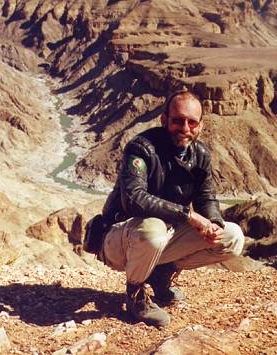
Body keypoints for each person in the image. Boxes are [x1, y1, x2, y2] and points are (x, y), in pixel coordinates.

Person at [96, 90, 245, 327]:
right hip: (120, 240)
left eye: (192, 122)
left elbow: (207, 197)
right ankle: (136, 295)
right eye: (178, 120)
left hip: (162, 239)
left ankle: (161, 273)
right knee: (153, 229)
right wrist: (187, 215)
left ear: (200, 126)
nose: (184, 127)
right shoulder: (141, 149)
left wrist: (213, 223)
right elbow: (134, 199)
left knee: (232, 236)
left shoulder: (200, 155)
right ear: (164, 120)